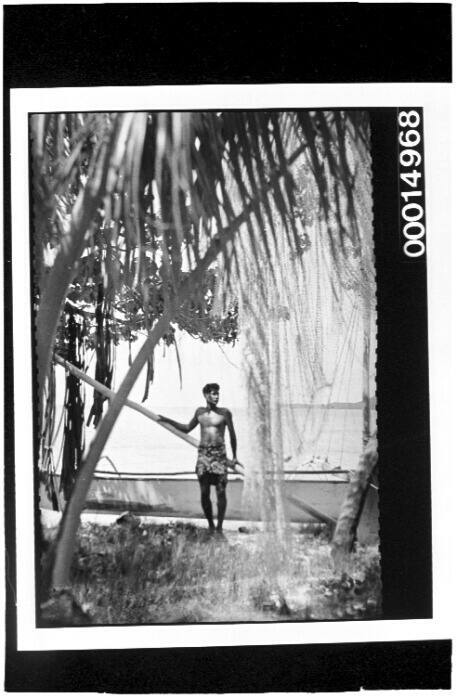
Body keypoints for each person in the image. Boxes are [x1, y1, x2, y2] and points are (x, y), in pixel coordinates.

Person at [158, 383, 238, 537]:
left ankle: (220, 527)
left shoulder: (225, 413)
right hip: (203, 455)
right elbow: (187, 428)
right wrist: (167, 420)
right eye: (213, 393)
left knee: (221, 492)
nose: (216, 396)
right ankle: (211, 526)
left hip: (219, 455)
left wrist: (234, 457)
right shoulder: (199, 412)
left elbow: (233, 436)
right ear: (206, 395)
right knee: (204, 492)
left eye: (218, 393)